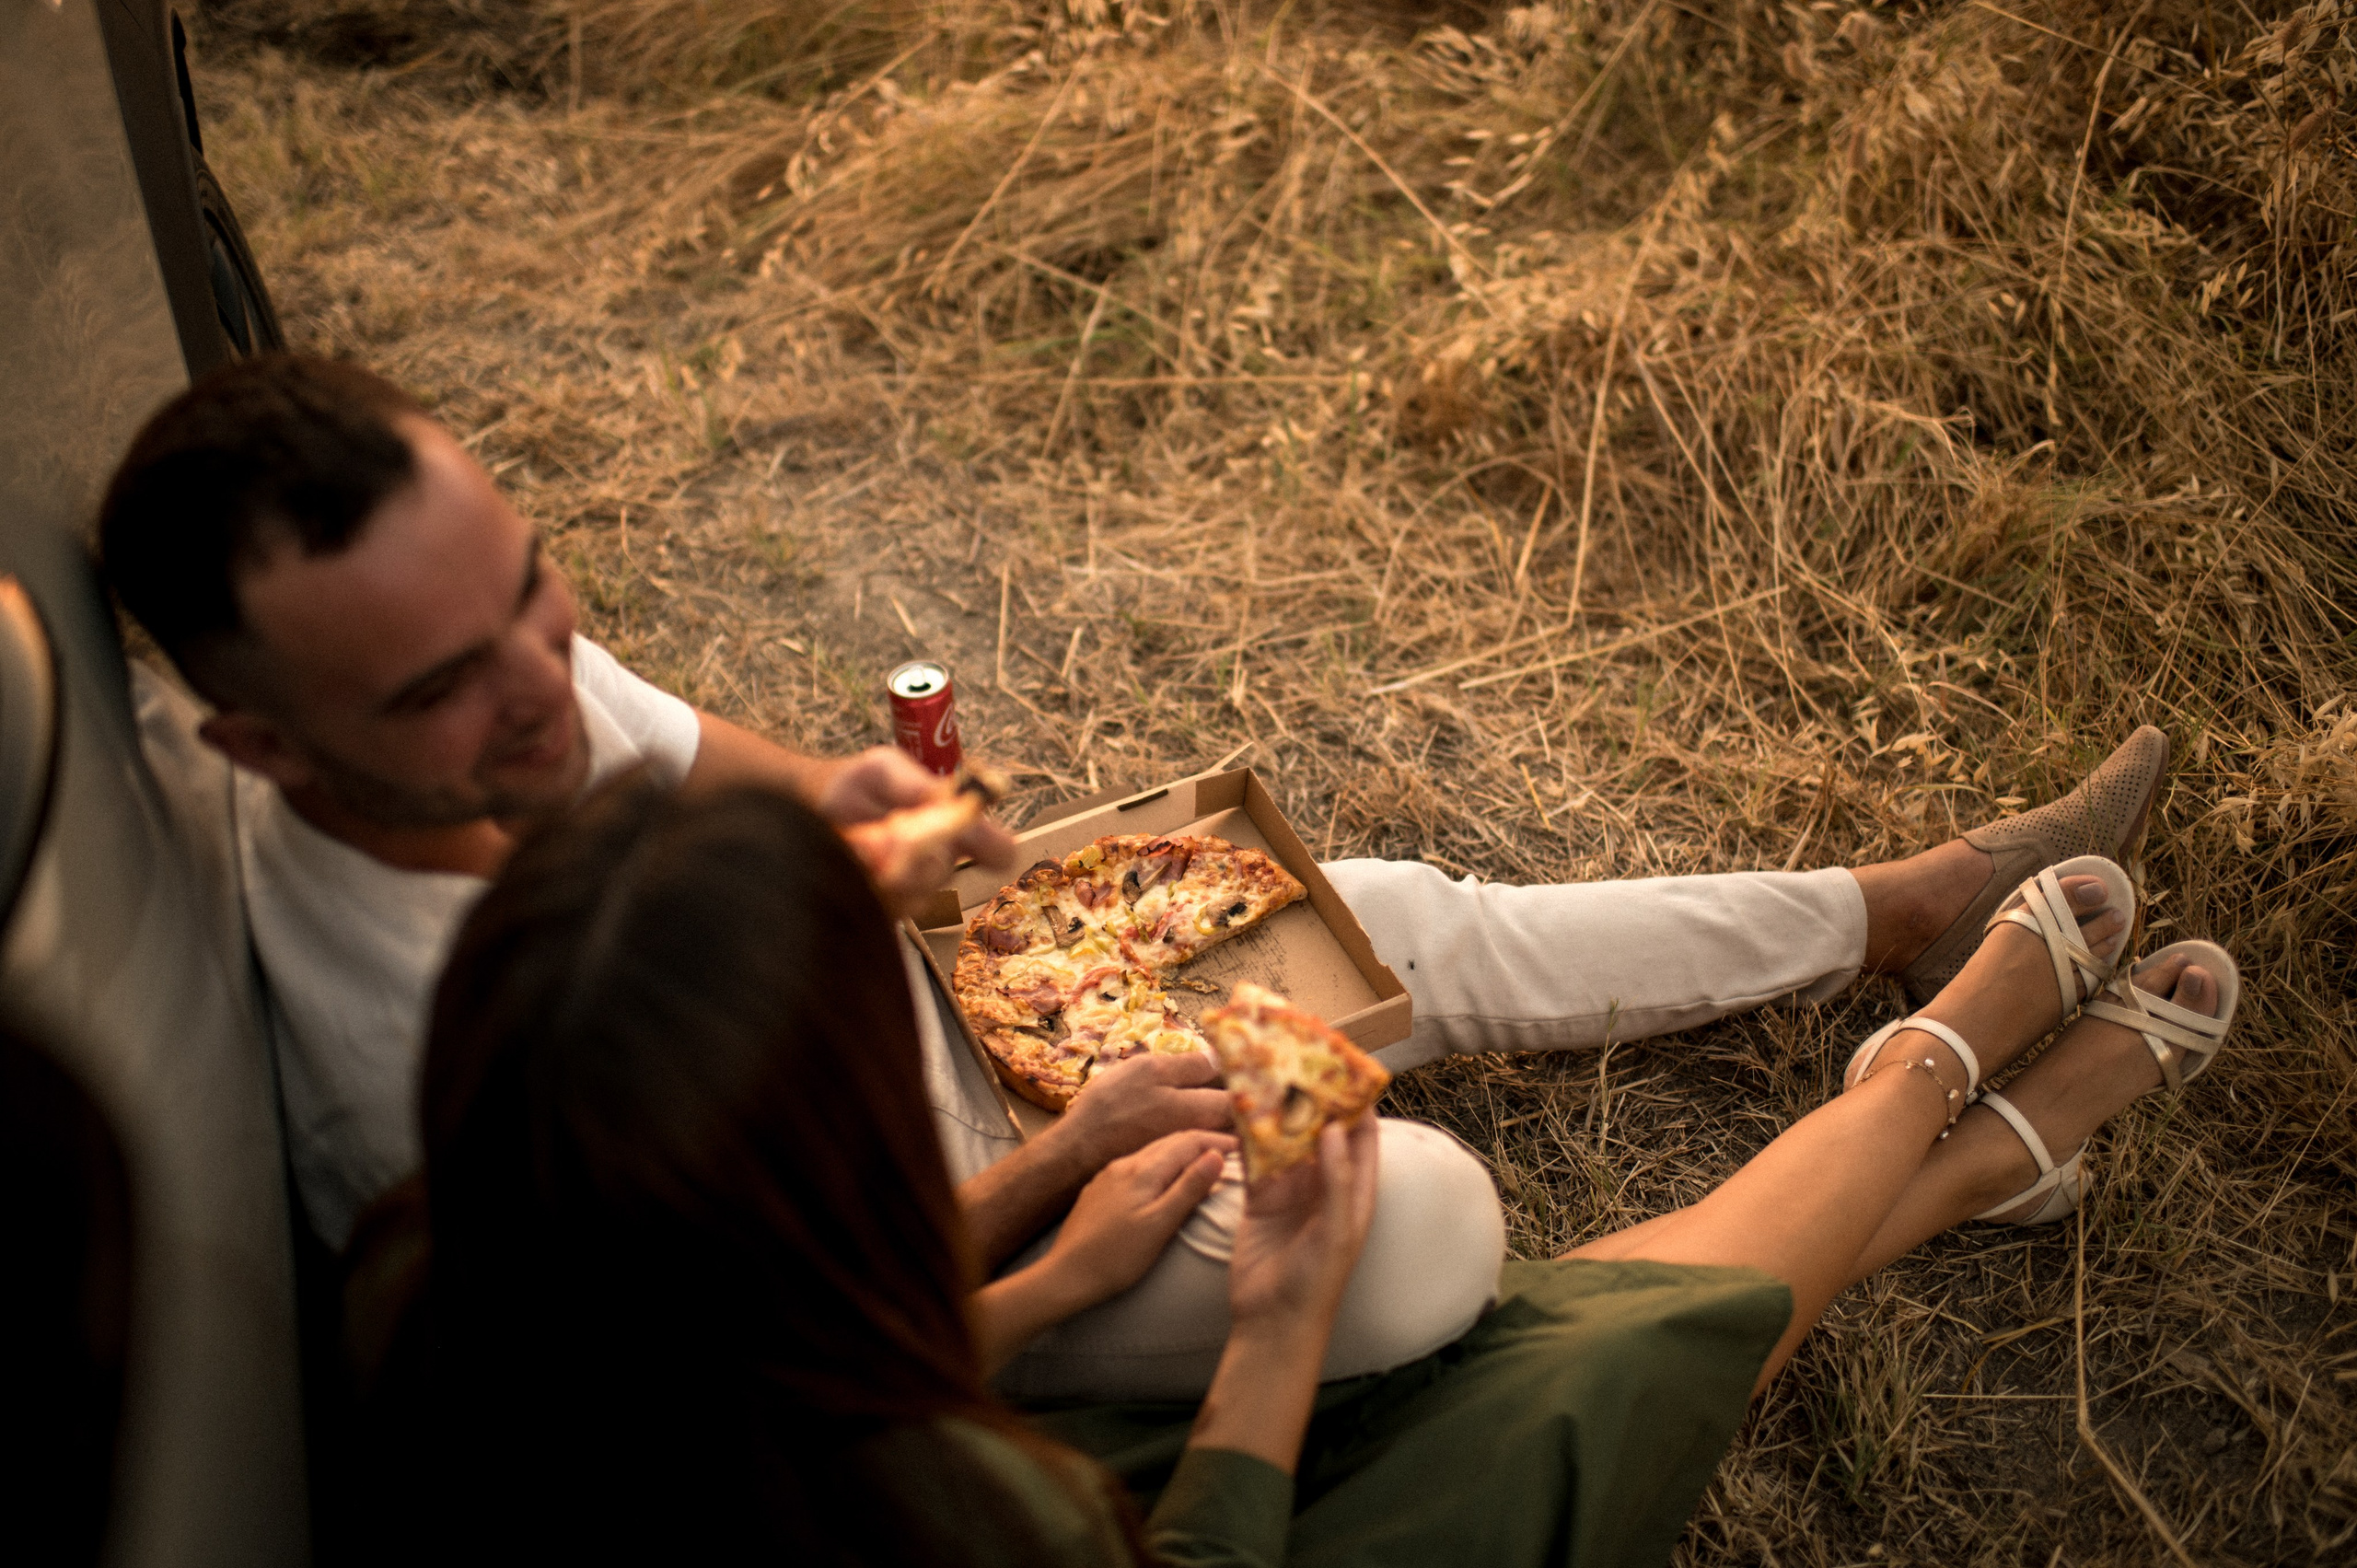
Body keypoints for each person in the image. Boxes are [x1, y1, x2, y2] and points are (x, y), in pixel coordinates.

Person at [99, 352, 2173, 1399]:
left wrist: (913, 832)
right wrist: (1068, 1168)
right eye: (450, 688)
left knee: (1388, 916)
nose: (543, 689)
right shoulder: (410, 1070)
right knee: (1421, 1225)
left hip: (952, 1023)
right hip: (923, 1226)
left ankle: (1895, 908)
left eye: (537, 597)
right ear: (258, 744)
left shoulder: (499, 665)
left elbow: (764, 787)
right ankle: (1891, 1153)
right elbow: (779, 1355)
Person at [377, 777, 2236, 1566]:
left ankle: (1926, 1054)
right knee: (1568, 1381)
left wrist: (1058, 1228)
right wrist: (1270, 1335)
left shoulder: (484, 1251)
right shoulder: (936, 1502)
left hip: (963, 1391)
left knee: (1403, 958)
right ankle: (1929, 1112)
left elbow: (784, 1360)